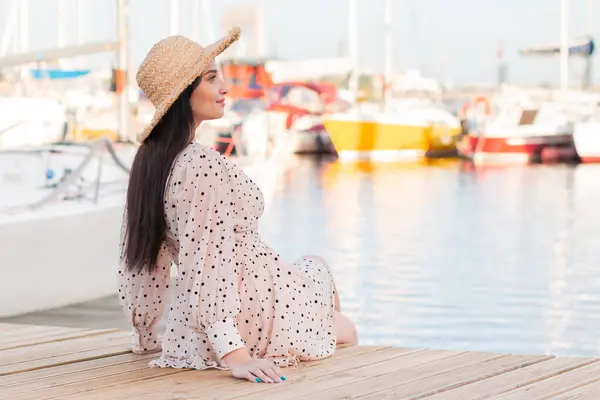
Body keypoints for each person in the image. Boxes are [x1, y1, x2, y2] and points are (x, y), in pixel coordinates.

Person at [118, 28, 358, 384]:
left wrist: (146, 333)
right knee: (346, 328)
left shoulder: (150, 161)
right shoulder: (200, 164)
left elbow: (142, 263)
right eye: (212, 78)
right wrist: (236, 355)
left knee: (318, 269)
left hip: (216, 307)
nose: (225, 88)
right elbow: (209, 256)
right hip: (250, 305)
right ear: (184, 92)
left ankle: (311, 322)